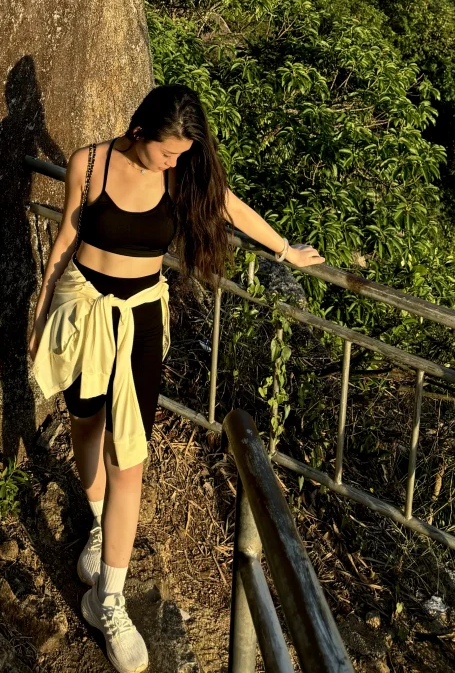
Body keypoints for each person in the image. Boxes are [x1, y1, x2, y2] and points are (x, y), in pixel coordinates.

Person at [29, 84, 323, 673]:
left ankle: (106, 599)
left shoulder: (182, 175)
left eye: (183, 152)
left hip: (138, 321)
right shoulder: (88, 165)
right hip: (83, 308)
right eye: (168, 151)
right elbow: (65, 239)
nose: (176, 161)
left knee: (128, 455)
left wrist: (283, 248)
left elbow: (230, 207)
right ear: (139, 134)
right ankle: (94, 524)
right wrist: (39, 317)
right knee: (83, 425)